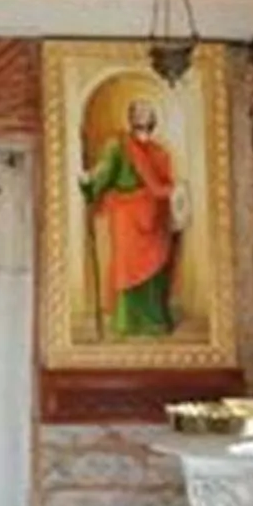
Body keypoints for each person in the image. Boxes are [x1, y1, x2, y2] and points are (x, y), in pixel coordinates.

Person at [79, 98, 180, 337]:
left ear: (155, 118)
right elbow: (103, 174)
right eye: (139, 112)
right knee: (128, 268)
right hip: (127, 215)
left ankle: (155, 321)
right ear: (131, 117)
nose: (144, 116)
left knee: (156, 268)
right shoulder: (118, 146)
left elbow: (166, 186)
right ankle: (127, 322)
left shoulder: (160, 152)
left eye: (149, 111)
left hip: (155, 216)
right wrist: (88, 184)